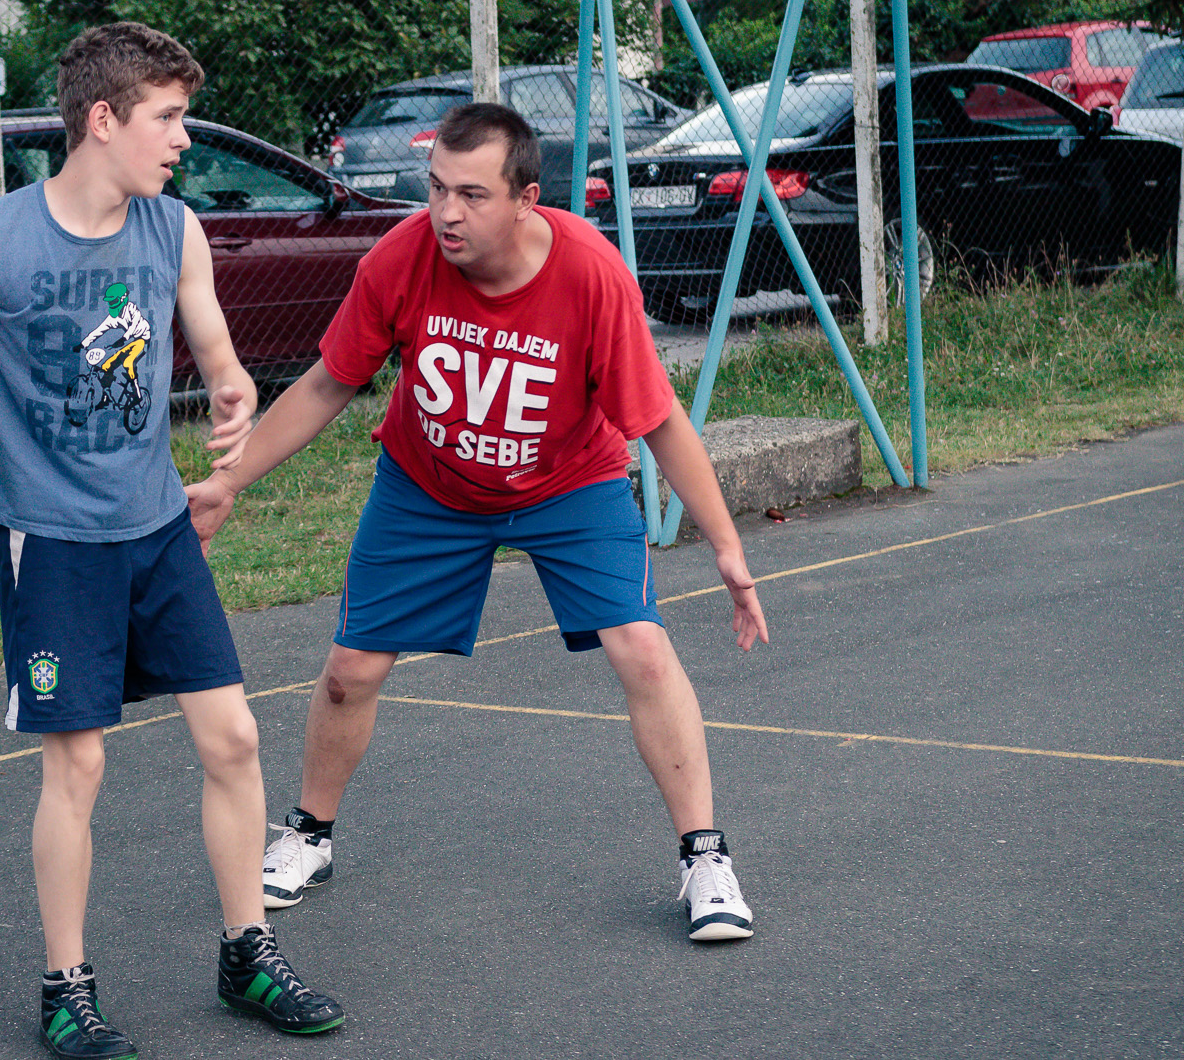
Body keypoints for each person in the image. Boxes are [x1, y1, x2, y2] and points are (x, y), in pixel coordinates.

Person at [0, 22, 344, 1058]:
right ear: (102, 121)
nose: (182, 139)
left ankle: (246, 954)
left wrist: (234, 400)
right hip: (50, 541)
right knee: (79, 768)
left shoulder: (173, 230)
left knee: (233, 738)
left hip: (155, 528)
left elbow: (220, 361)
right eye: (167, 118)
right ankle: (66, 987)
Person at [185, 101, 771, 944]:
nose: (447, 213)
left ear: (526, 198)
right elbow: (325, 382)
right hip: (429, 483)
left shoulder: (589, 272)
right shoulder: (402, 256)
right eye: (435, 190)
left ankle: (705, 856)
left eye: (471, 194)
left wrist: (725, 543)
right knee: (351, 666)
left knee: (641, 646)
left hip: (569, 480)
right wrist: (229, 480)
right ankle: (308, 835)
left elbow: (659, 420)